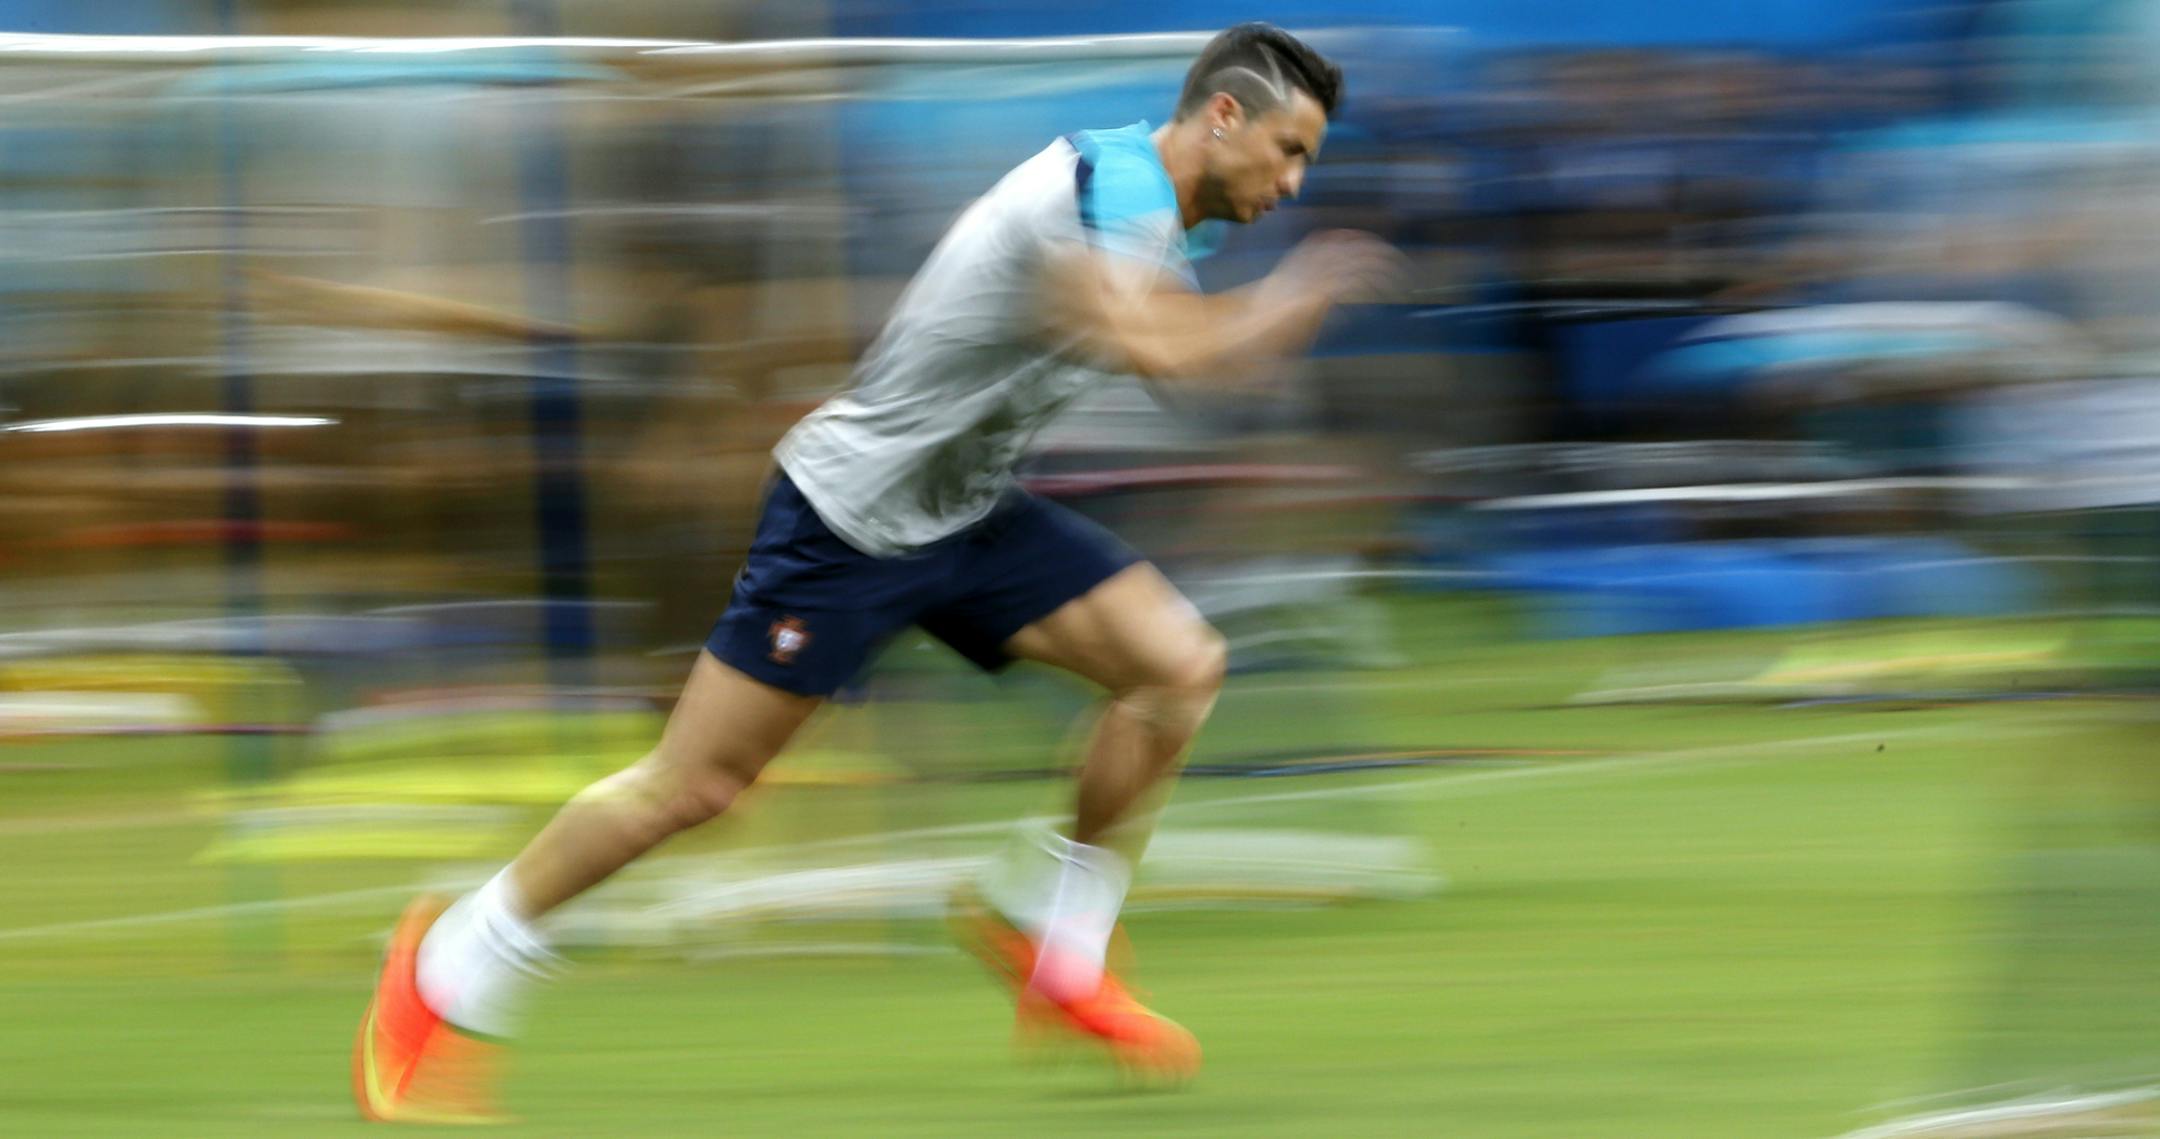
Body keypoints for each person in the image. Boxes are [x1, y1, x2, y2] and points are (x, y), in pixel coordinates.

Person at [353, 22, 1400, 1123]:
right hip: (850, 520)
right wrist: (1303, 289)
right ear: (1223, 115)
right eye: (1289, 151)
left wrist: (1258, 317)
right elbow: (1168, 355)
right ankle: (440, 969)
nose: (1290, 183)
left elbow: (1177, 360)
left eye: (1305, 167)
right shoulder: (1110, 185)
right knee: (694, 787)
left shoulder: (1137, 202)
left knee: (1177, 666)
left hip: (963, 508)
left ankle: (1053, 940)